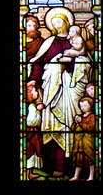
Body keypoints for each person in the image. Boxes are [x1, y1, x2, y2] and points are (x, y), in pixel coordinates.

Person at [28, 9, 88, 175]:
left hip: (68, 89)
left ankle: (66, 168)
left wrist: (67, 66)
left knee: (66, 125)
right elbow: (39, 62)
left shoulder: (75, 42)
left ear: (67, 23)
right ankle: (48, 166)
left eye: (59, 21)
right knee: (50, 126)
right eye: (53, 23)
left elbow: (84, 62)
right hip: (49, 90)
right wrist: (34, 78)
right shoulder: (49, 42)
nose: (56, 25)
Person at [69, 95, 97, 180]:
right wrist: (76, 122)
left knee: (90, 160)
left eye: (85, 106)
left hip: (88, 142)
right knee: (79, 160)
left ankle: (91, 176)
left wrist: (81, 122)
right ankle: (76, 176)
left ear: (90, 106)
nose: (83, 108)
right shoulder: (80, 116)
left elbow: (90, 128)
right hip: (79, 144)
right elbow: (73, 128)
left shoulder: (92, 117)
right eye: (81, 106)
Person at [25, 79, 44, 179]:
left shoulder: (31, 106)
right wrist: (38, 111)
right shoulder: (31, 107)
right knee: (30, 154)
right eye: (35, 91)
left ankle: (30, 173)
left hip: (33, 134)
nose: (37, 93)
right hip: (31, 134)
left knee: (32, 155)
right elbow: (32, 122)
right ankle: (27, 175)